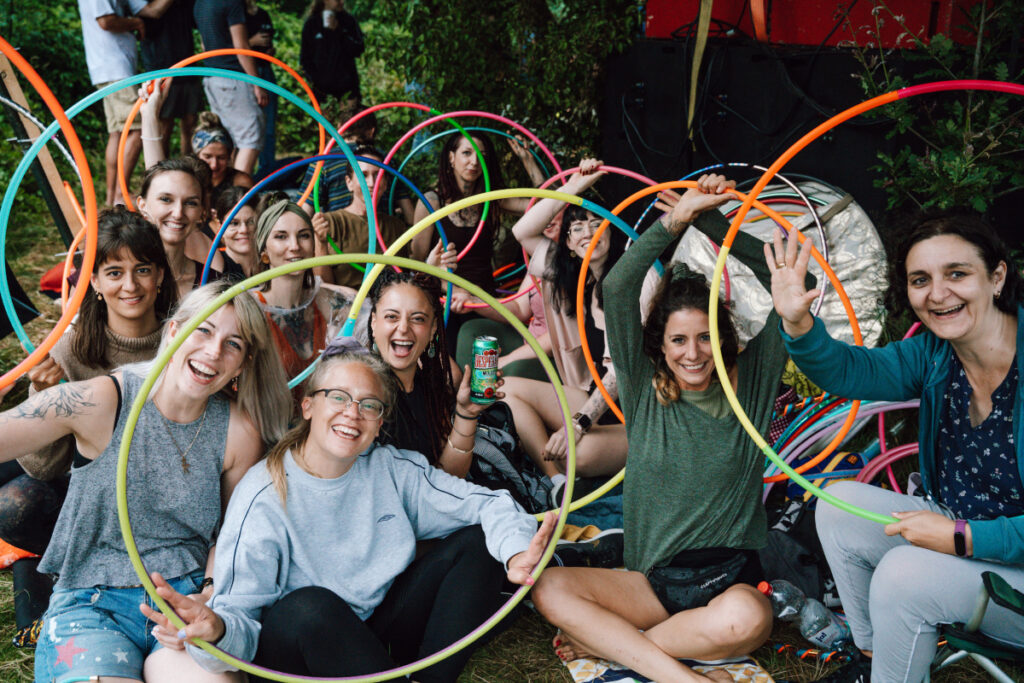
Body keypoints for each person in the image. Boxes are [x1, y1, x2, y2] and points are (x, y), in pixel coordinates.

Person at [141, 348, 557, 682]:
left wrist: (516, 551)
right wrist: (215, 630)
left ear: (380, 422)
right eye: (337, 397)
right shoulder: (263, 495)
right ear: (307, 407)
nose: (351, 413)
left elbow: (488, 504)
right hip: (300, 652)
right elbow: (240, 621)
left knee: (476, 544)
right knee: (310, 607)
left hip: (375, 629)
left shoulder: (392, 468)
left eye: (369, 405)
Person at [531, 175, 784, 682]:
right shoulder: (645, 388)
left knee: (749, 616)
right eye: (679, 341)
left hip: (729, 581)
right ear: (660, 348)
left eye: (705, 337)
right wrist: (676, 219)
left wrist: (713, 219)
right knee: (548, 589)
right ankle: (683, 675)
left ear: (724, 336)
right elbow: (620, 286)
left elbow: (794, 284)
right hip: (650, 584)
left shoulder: (750, 385)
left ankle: (626, 649)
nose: (693, 353)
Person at [769, 211, 1024, 683]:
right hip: (963, 544)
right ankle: (871, 659)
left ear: (997, 276)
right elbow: (850, 372)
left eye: (957, 273)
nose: (938, 293)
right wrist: (799, 323)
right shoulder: (934, 354)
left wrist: (962, 538)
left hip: (1009, 573)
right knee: (839, 505)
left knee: (903, 573)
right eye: (920, 279)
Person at [0, 281, 291, 683]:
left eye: (234, 344)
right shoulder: (105, 400)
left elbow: (228, 534)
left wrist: (207, 595)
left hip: (180, 603)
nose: (213, 351)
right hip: (90, 602)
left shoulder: (240, 432)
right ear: (173, 331)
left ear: (242, 364)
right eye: (203, 330)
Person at [0, 207, 177, 647]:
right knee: (15, 502)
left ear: (160, 276)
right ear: (93, 283)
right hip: (89, 493)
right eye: (113, 272)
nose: (130, 285)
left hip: (163, 494)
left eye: (142, 270)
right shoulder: (72, 349)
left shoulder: (186, 339)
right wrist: (40, 399)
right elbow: (42, 468)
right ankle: (58, 559)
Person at [498, 160, 626, 489]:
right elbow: (522, 231)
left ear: (611, 230)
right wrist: (574, 187)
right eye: (579, 227)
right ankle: (557, 488)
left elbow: (619, 374)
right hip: (587, 395)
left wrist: (579, 423)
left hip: (634, 414)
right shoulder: (571, 281)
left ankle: (568, 468)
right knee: (504, 390)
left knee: (576, 455)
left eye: (598, 224)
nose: (589, 233)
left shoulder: (627, 284)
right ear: (567, 242)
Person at [367, 270, 497, 477]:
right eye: (391, 316)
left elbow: (446, 478)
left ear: (433, 327)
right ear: (374, 322)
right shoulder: (363, 393)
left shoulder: (430, 390)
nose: (403, 328)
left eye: (417, 319)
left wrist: (467, 413)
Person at [311, 144, 450, 290]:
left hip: (390, 308)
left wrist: (430, 267)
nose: (371, 183)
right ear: (349, 182)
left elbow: (405, 280)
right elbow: (322, 288)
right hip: (347, 308)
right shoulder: (328, 223)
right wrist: (320, 242)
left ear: (385, 184)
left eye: (378, 175)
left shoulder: (396, 226)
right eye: (363, 175)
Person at [250, 199, 360, 382]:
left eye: (304, 235)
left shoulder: (330, 300)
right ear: (264, 253)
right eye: (281, 236)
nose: (295, 246)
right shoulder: (248, 308)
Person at [78, 0, 174, 206]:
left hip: (114, 67)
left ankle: (112, 196)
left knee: (118, 132)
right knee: (138, 126)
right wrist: (135, 24)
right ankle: (119, 194)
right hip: (113, 67)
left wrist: (138, 20)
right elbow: (106, 21)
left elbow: (152, 10)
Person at [193, 0, 268, 176]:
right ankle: (238, 196)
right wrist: (257, 84)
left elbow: (205, 46)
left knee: (230, 140)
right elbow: (241, 47)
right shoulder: (231, 3)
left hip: (212, 78)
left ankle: (226, 195)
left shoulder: (200, 4)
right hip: (233, 78)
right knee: (250, 140)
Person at [136, 157, 226, 297]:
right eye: (166, 199)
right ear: (142, 205)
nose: (178, 214)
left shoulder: (213, 284)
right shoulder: (124, 280)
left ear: (201, 211)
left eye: (191, 203)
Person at [138, 0, 203, 157]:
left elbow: (198, 19)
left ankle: (188, 165)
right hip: (161, 69)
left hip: (188, 67)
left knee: (190, 121)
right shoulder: (145, 5)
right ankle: (161, 168)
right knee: (164, 122)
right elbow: (153, 13)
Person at [300, 0, 364, 105]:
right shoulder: (311, 24)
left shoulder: (348, 21)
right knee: (324, 121)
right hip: (321, 92)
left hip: (347, 90)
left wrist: (338, 31)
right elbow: (305, 60)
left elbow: (359, 49)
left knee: (348, 120)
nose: (342, 2)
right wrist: (316, 84)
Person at [245, 0, 278, 174]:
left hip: (266, 69)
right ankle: (245, 174)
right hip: (245, 73)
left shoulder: (263, 14)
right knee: (250, 126)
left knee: (269, 125)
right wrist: (252, 42)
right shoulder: (236, 12)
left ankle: (267, 170)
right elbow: (229, 46)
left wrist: (269, 52)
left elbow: (269, 41)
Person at [211, 185, 259, 279]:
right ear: (220, 227)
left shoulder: (271, 262)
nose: (244, 230)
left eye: (251, 222)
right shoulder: (214, 265)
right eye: (234, 223)